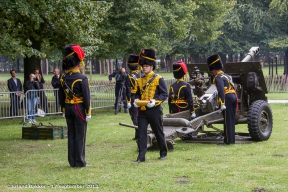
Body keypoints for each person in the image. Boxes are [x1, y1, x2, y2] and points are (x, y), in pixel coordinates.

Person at [58, 44, 92, 168]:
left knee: (71, 135)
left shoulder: (63, 78)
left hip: (67, 108)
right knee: (80, 136)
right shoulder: (82, 78)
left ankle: (72, 161)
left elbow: (61, 96)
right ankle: (80, 161)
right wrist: (88, 113)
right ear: (78, 63)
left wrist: (63, 109)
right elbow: (87, 98)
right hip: (79, 108)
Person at [133, 49, 168, 163]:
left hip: (154, 110)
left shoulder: (159, 79)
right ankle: (141, 156)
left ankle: (163, 151)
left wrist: (156, 101)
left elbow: (164, 94)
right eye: (143, 65)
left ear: (152, 66)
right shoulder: (139, 80)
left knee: (158, 131)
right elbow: (137, 93)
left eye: (147, 65)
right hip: (142, 110)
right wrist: (135, 100)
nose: (144, 67)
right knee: (141, 133)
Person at [207, 54, 237, 145]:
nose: (212, 72)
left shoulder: (218, 78)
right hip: (232, 96)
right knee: (231, 119)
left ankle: (227, 141)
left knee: (227, 120)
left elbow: (220, 90)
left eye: (212, 70)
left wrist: (222, 103)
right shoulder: (227, 76)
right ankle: (231, 140)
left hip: (227, 98)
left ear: (214, 69)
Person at [125, 54, 143, 140]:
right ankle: (138, 134)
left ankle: (139, 134)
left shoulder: (128, 76)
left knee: (134, 116)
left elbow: (127, 90)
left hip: (132, 97)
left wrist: (128, 101)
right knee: (139, 115)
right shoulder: (141, 74)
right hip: (141, 97)